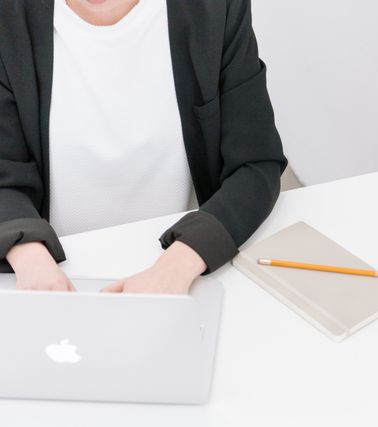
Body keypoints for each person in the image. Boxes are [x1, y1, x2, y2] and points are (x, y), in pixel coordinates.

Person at [0, 0, 287, 294]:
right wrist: (29, 255)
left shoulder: (215, 10)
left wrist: (180, 264)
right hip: (50, 271)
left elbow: (256, 163)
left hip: (179, 265)